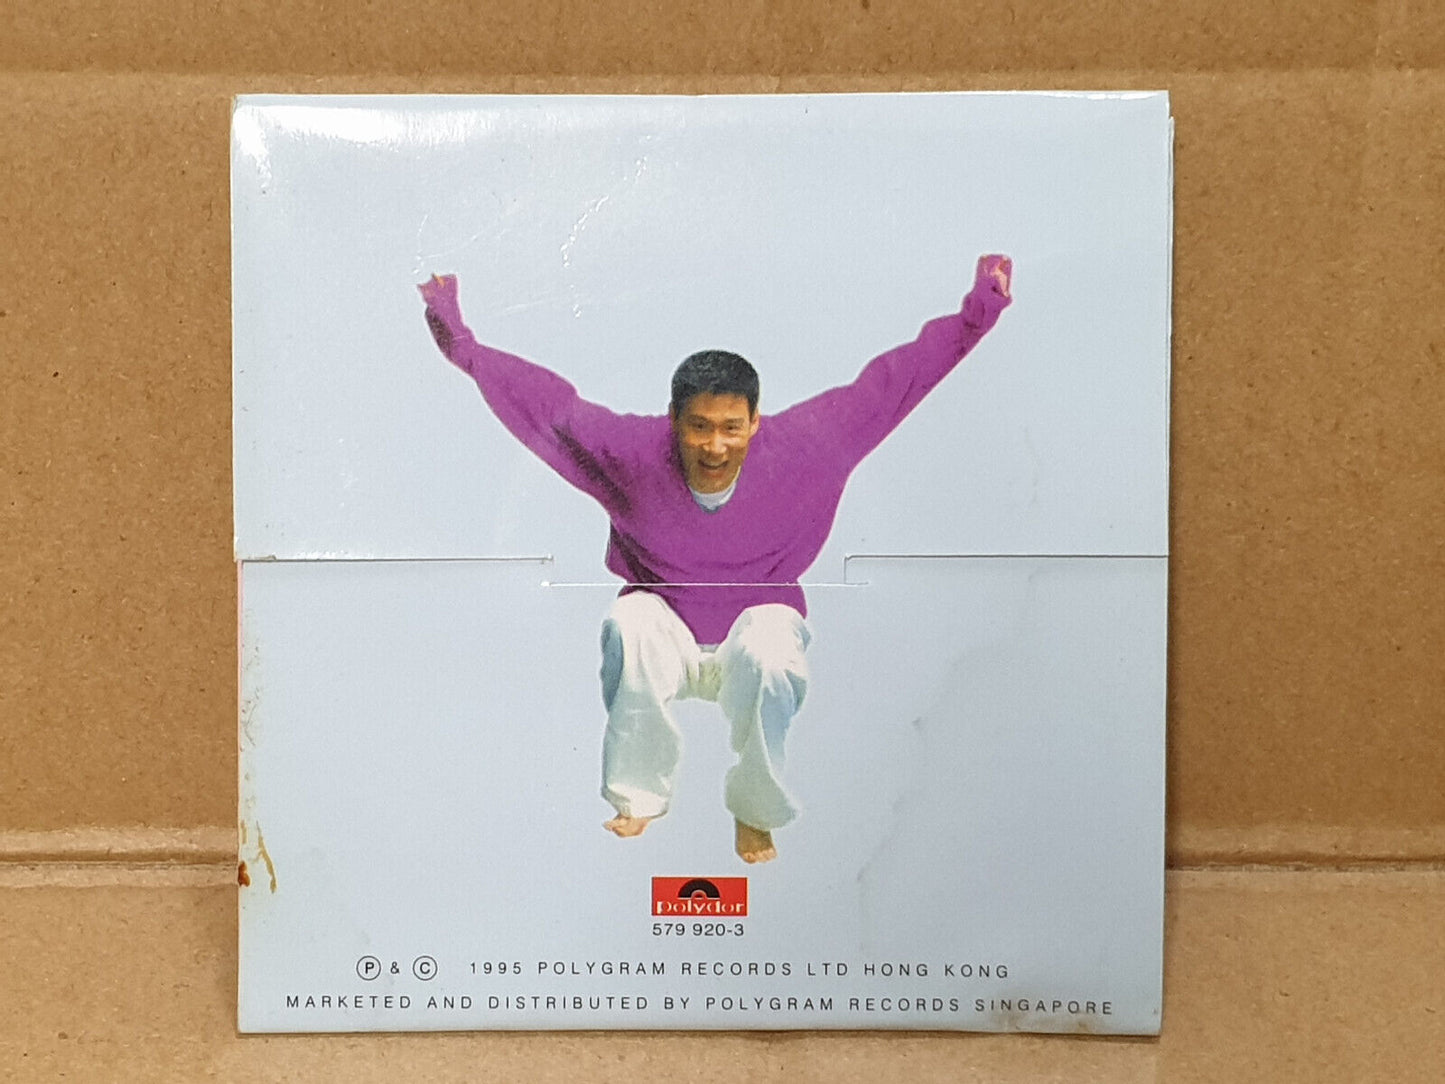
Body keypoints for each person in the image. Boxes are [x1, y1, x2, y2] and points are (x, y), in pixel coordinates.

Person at [419, 254, 1013, 862]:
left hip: (754, 629)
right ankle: (638, 795)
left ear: (755, 422)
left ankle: (755, 810)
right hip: (665, 636)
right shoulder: (628, 453)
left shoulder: (811, 446)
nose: (715, 446)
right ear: (673, 420)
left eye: (731, 427)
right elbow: (547, 405)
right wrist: (461, 344)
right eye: (698, 427)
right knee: (629, 622)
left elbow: (898, 380)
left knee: (773, 651)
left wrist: (980, 311)